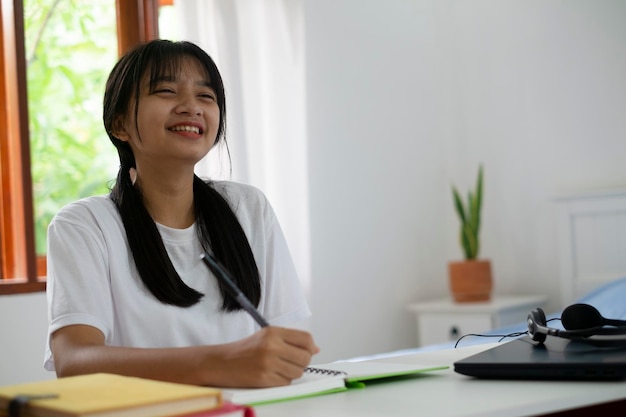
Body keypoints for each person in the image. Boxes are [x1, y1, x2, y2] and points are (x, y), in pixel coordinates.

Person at [44, 39, 318, 388]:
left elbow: (285, 340)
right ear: (119, 124)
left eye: (206, 96)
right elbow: (75, 361)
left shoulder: (248, 208)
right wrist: (221, 362)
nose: (191, 106)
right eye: (166, 91)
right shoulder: (84, 225)